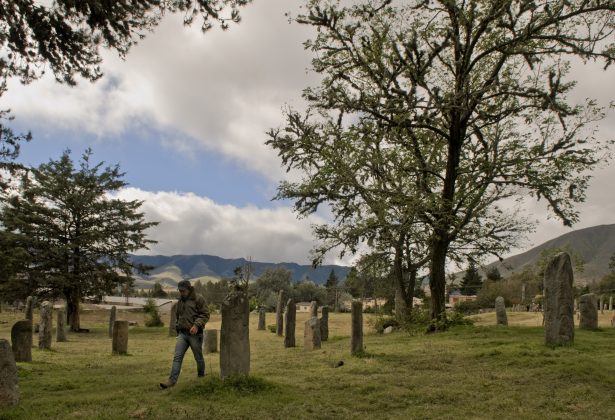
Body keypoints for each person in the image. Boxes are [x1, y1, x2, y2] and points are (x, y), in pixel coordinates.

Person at [159, 280, 210, 389]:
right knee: (177, 358)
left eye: (183, 291)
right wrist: (178, 328)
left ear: (189, 289)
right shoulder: (180, 301)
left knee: (198, 358)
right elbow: (179, 316)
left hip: (195, 335)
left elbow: (205, 314)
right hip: (182, 334)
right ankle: (171, 381)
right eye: (180, 291)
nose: (181, 293)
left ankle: (201, 376)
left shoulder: (199, 299)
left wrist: (196, 325)